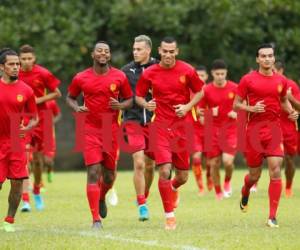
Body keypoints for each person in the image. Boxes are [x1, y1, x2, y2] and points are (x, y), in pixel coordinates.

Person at [136, 37, 204, 230]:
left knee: (182, 177)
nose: (167, 55)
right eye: (164, 51)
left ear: (177, 52)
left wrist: (187, 106)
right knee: (164, 170)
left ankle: (173, 188)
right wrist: (146, 104)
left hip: (182, 128)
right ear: (159, 50)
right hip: (160, 127)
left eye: (171, 51)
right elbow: (139, 96)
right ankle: (170, 216)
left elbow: (200, 91)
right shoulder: (150, 73)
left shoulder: (187, 70)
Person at [66, 41, 133, 229]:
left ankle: (102, 196)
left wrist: (121, 106)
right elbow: (70, 97)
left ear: (109, 56)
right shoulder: (81, 77)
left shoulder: (119, 76)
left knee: (109, 176)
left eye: (106, 51)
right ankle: (96, 219)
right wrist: (77, 108)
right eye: (99, 51)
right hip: (89, 130)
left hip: (110, 130)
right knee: (93, 172)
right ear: (93, 55)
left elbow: (129, 99)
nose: (103, 54)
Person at [233, 43, 298, 228]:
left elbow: (284, 100)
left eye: (270, 56)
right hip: (253, 132)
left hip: (274, 131)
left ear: (273, 58)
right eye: (263, 56)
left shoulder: (281, 80)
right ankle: (245, 191)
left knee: (275, 169)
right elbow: (236, 105)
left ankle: (272, 216)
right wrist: (251, 108)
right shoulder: (247, 80)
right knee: (254, 176)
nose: (267, 59)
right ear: (257, 59)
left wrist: (291, 111)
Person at [18, 45, 61, 211]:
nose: (26, 62)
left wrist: (37, 100)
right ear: (19, 60)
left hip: (41, 119)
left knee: (38, 161)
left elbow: (57, 93)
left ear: (34, 58)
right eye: (23, 59)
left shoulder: (43, 73)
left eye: (29, 58)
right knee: (21, 160)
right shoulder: (14, 74)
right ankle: (25, 200)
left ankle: (36, 191)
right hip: (20, 120)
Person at [0, 48, 38, 232]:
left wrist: (28, 127)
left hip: (16, 141)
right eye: (11, 64)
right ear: (2, 67)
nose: (16, 67)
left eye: (17, 64)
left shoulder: (27, 90)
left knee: (17, 183)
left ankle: (9, 221)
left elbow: (34, 117)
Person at [122, 35, 157, 221]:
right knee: (139, 162)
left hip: (155, 122)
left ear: (148, 50)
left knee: (151, 165)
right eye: (134, 49)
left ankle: (145, 194)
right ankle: (142, 204)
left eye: (139, 49)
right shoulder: (126, 71)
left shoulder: (160, 67)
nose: (135, 52)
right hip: (132, 121)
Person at [199, 59, 238, 200]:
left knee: (228, 161)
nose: (220, 76)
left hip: (231, 130)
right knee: (213, 163)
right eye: (217, 74)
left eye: (223, 73)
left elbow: (245, 105)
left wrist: (237, 113)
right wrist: (210, 113)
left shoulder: (235, 88)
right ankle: (218, 191)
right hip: (212, 130)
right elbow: (199, 112)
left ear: (226, 73)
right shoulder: (206, 90)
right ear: (212, 74)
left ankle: (227, 181)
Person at [273, 61, 300, 197]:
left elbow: (299, 107)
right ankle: (276, 185)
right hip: (273, 127)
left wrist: (290, 98)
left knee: (289, 159)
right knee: (277, 158)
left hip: (289, 128)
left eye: (273, 70)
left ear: (281, 70)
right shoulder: (265, 84)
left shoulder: (292, 85)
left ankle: (288, 185)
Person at [191, 65, 213, 195]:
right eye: (197, 76)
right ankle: (200, 187)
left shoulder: (211, 90)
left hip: (210, 130)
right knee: (196, 158)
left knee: (210, 160)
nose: (200, 78)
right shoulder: (189, 91)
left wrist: (205, 112)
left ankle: (209, 178)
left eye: (202, 76)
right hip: (193, 131)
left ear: (206, 77)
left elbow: (218, 110)